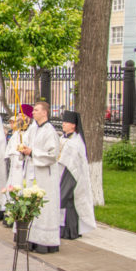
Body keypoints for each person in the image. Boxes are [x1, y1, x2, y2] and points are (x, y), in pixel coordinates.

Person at [20, 101, 61, 253]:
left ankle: (45, 241)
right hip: (31, 172)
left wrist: (32, 153)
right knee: (31, 205)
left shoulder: (50, 131)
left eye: (36, 110)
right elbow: (25, 142)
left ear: (45, 112)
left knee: (44, 207)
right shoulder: (32, 128)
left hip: (45, 176)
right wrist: (22, 148)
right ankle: (30, 239)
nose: (33, 112)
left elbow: (52, 155)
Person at [58, 111, 96, 240]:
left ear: (73, 125)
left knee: (67, 200)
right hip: (61, 172)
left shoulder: (76, 142)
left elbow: (74, 161)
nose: (63, 124)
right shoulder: (62, 138)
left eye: (66, 122)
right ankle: (62, 228)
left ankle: (70, 230)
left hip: (71, 174)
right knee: (62, 200)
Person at [5, 104, 34, 189]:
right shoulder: (16, 133)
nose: (19, 118)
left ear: (28, 118)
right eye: (19, 115)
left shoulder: (32, 132)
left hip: (24, 168)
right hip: (13, 168)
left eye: (22, 115)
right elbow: (8, 149)